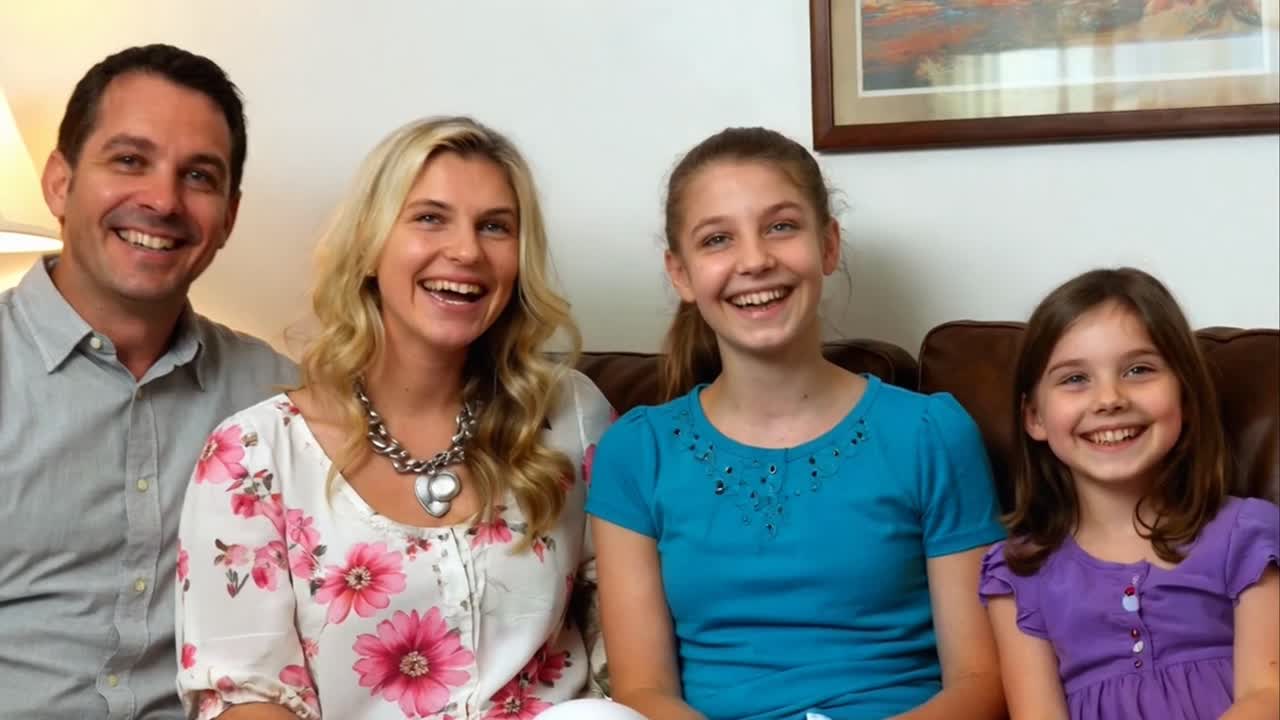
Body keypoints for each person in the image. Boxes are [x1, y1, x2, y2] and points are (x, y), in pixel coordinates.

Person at [174, 116, 643, 720]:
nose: (467, 251)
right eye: (429, 217)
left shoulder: (573, 416)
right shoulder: (253, 455)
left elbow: (631, 644)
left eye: (495, 227)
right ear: (370, 246)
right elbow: (243, 695)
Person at [586, 127, 1007, 720]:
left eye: (781, 226)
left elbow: (981, 680)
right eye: (717, 240)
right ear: (680, 274)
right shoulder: (638, 450)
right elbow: (643, 692)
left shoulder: (929, 433)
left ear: (828, 245)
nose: (755, 260)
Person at [0, 44, 296, 718]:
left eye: (197, 176)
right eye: (129, 160)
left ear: (228, 215)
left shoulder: (282, 401)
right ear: (58, 182)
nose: (162, 199)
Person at [980, 267, 1280, 719]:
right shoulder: (1019, 573)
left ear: (1187, 398)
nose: (1109, 399)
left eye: (1139, 370)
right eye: (1074, 379)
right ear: (1035, 417)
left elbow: (1267, 695)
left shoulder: (1246, 535)